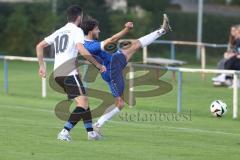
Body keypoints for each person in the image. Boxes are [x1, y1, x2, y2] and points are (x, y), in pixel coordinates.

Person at [81, 14, 171, 135]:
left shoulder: (86, 42)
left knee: (134, 45)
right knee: (120, 103)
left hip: (113, 64)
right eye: (97, 28)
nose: (99, 30)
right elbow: (112, 39)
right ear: (91, 31)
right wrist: (126, 29)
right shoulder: (90, 46)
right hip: (111, 71)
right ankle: (98, 124)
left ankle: (162, 30)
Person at [36, 5, 106, 141]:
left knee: (83, 101)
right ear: (79, 17)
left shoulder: (59, 31)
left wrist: (42, 66)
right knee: (82, 103)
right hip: (68, 73)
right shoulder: (77, 31)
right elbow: (81, 50)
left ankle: (91, 133)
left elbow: (39, 46)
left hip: (58, 74)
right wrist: (97, 64)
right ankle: (64, 132)